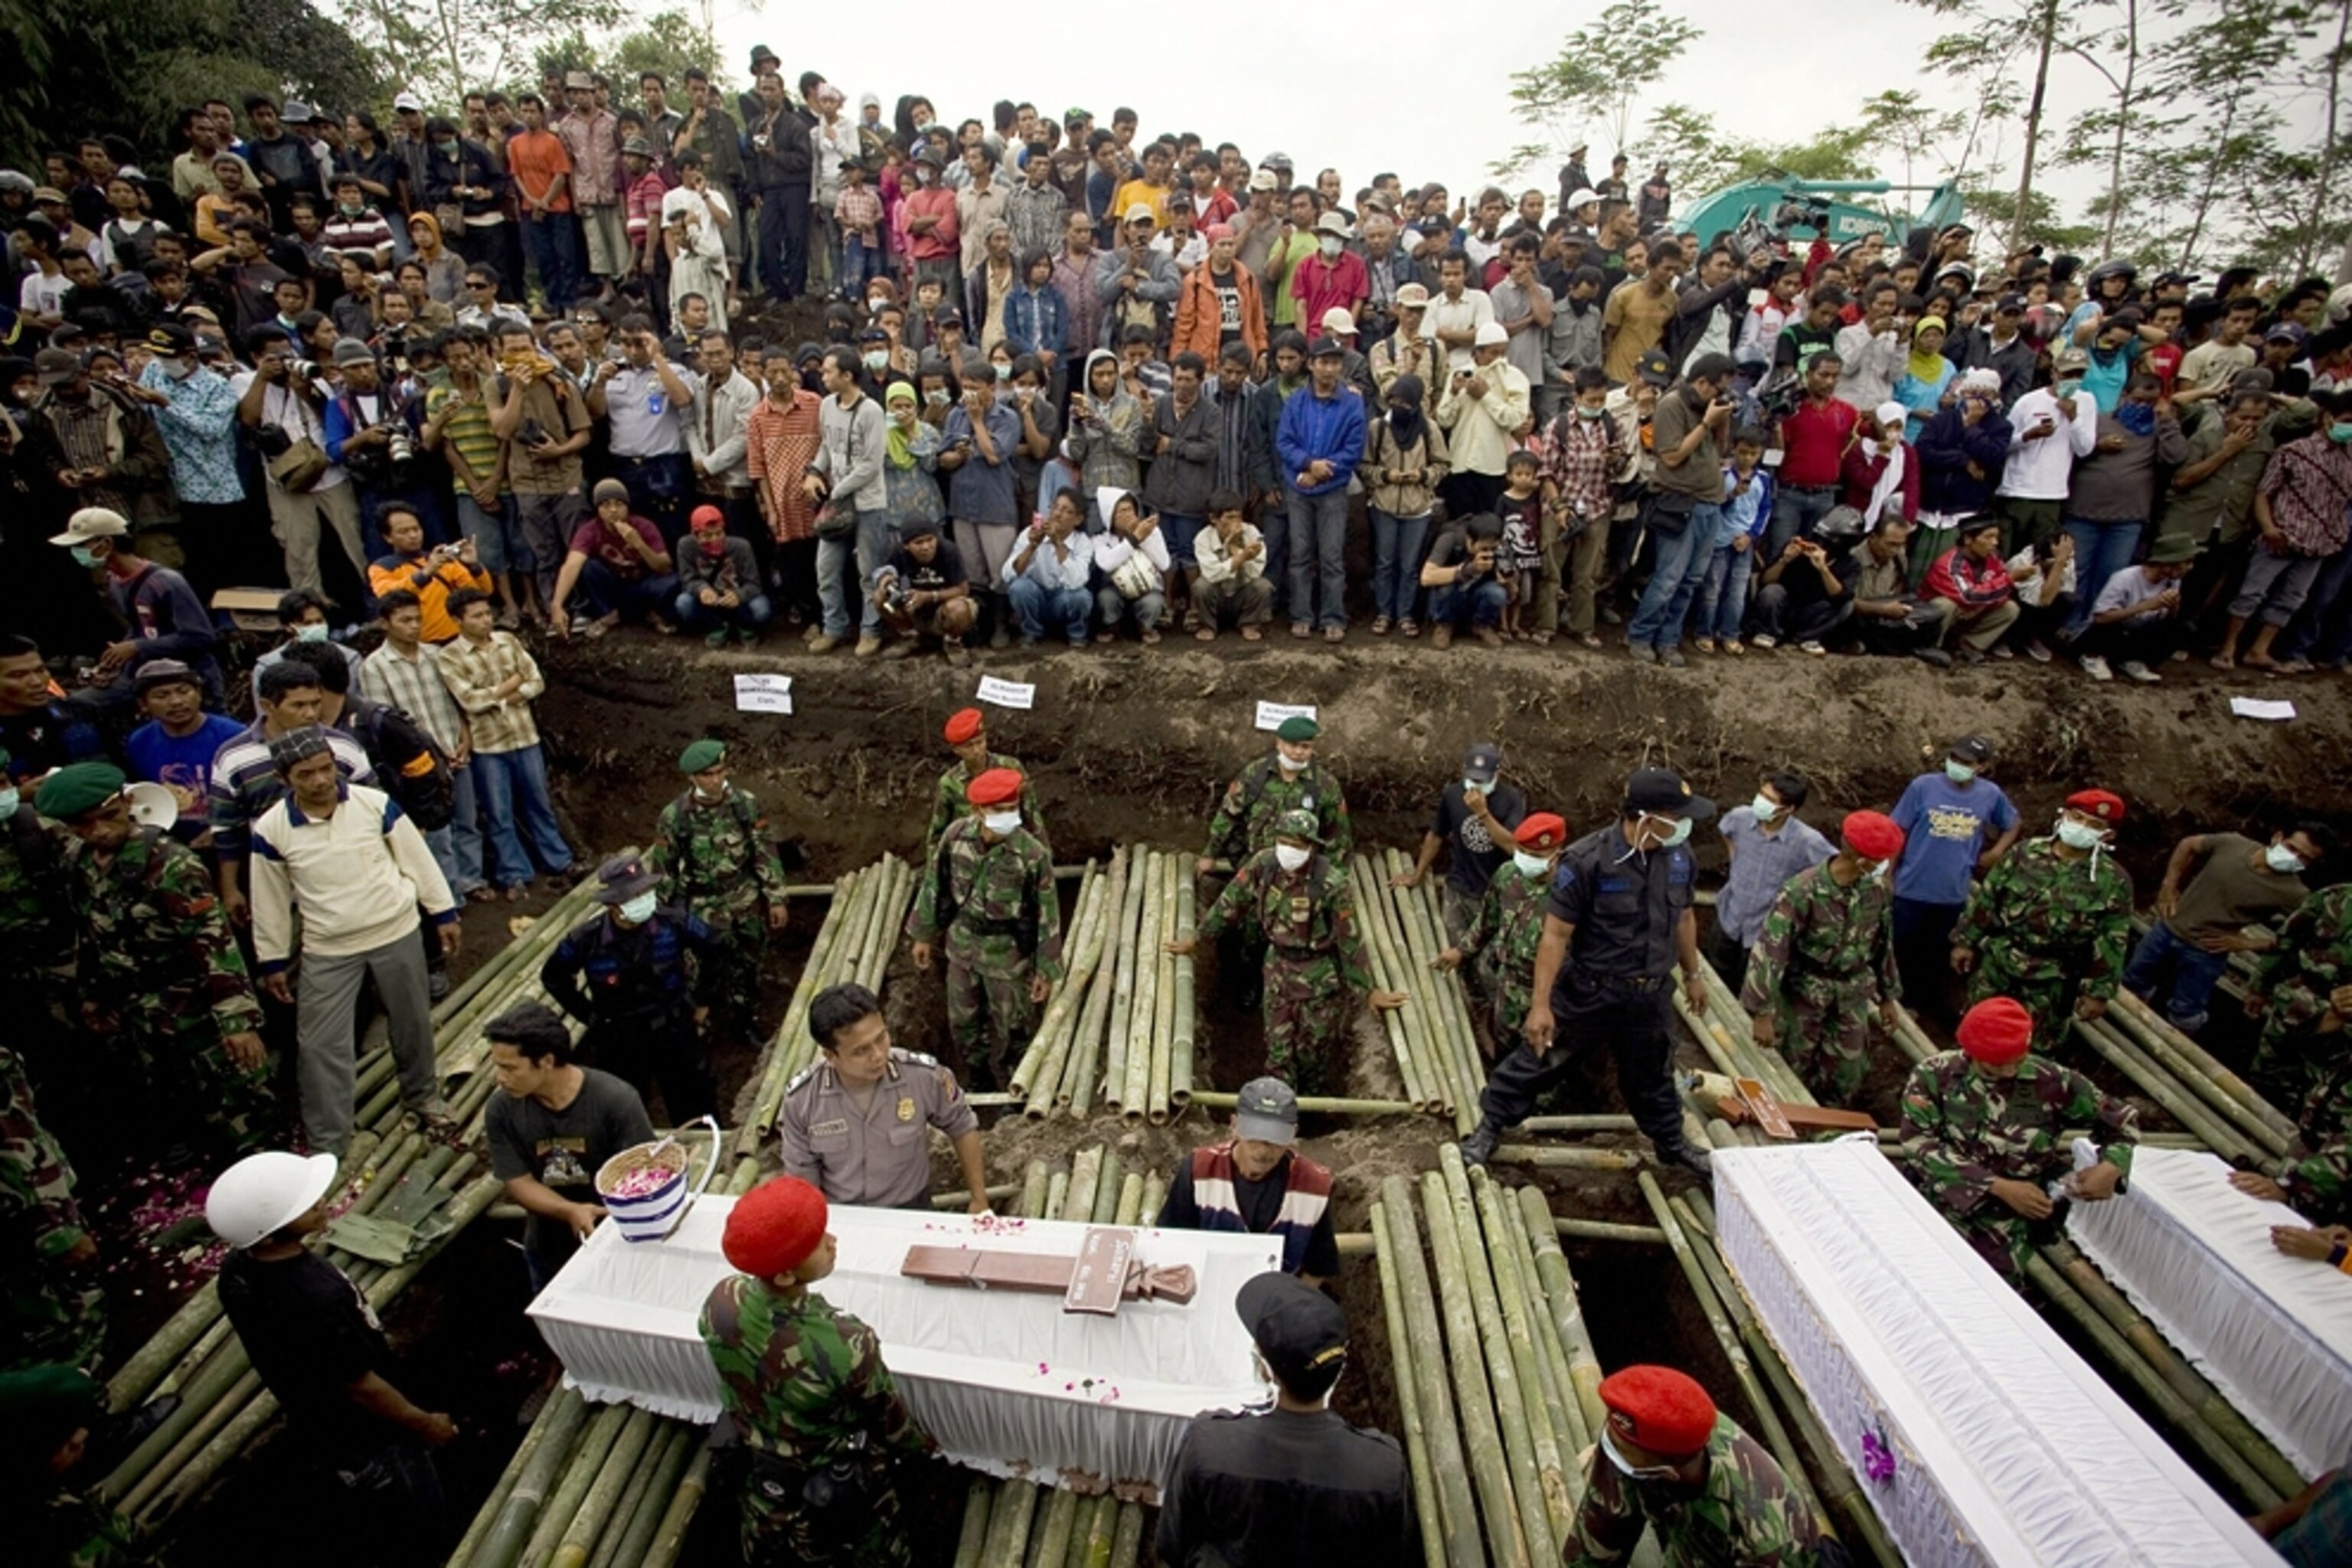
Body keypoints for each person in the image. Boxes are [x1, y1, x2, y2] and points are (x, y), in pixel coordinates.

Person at [1459, 769, 1719, 1175]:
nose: (1686, 825)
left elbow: (1684, 916)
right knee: (1540, 1059)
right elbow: (1555, 934)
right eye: (1677, 815)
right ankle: (1490, 1127)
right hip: (1590, 990)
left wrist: (1693, 975)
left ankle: (1671, 1143)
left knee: (1654, 1072)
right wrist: (1541, 1005)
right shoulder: (1587, 861)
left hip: (1649, 994)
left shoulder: (1680, 857)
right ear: (1647, 817)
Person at [208, 1150, 454, 1564]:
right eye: (303, 1206)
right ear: (268, 1236)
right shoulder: (313, 1300)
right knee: (418, 1515)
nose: (321, 1202)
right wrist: (425, 1424)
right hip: (371, 1435)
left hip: (319, 1426)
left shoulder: (237, 1271)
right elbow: (362, 1387)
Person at [44, 762, 275, 1160]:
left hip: (196, 1012)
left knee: (243, 1116)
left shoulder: (170, 864)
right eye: (83, 824)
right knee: (180, 1117)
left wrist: (237, 1021)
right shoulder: (79, 862)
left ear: (127, 803)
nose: (99, 830)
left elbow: (215, 944)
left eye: (108, 817)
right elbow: (90, 931)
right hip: (140, 1017)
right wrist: (92, 992)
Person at [699, 1177, 934, 1566]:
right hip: (836, 1499)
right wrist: (924, 1451)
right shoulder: (846, 1344)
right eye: (817, 1242)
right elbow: (892, 1426)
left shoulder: (723, 1301)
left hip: (762, 1492)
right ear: (787, 1276)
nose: (833, 1241)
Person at [249, 727, 458, 1157]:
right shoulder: (272, 830)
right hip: (328, 947)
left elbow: (416, 858)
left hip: (394, 929)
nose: (321, 781)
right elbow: (267, 900)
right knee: (321, 1044)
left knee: (412, 1020)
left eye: (326, 769)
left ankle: (422, 1095)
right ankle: (329, 1141)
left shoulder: (373, 804)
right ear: (286, 779)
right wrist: (271, 960)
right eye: (307, 774)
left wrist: (443, 912)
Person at [1155, 1272, 1414, 1567]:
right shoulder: (1382, 1468)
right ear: (1340, 1368)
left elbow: (1172, 1545)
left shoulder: (1209, 1445)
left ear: (1265, 1369)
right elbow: (1396, 1557)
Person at [1900, 995, 2138, 1276]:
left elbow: (2122, 1123)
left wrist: (2112, 1166)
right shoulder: (1935, 1076)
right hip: (1936, 1205)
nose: (2009, 1071)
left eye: (2017, 1061)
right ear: (1973, 1052)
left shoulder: (2051, 1081)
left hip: (2008, 1230)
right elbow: (1919, 1144)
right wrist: (1996, 1186)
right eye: (1997, 1064)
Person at [1174, 810, 1403, 1096]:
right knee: (1278, 1051)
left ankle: (1310, 1106)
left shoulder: (1332, 884)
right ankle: (1281, 1109)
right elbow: (1229, 903)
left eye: (1297, 845)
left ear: (1312, 846)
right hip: (1278, 972)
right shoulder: (1263, 866)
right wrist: (1198, 939)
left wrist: (1369, 991)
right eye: (1284, 841)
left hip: (1318, 981)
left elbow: (1349, 940)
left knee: (1313, 1054)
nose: (1289, 851)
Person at [1566, 1364, 1832, 1568]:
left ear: (1667, 1474)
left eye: (1622, 1459)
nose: (1611, 1454)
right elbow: (1597, 1536)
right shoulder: (1635, 1436)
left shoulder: (1766, 1539)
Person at [907, 768, 1063, 1093]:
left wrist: (1045, 969)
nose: (1008, 817)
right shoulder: (955, 837)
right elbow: (935, 885)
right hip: (962, 947)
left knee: (1013, 1026)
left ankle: (1013, 1085)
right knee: (962, 1023)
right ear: (978, 811)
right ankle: (977, 1077)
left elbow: (1047, 914)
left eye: (1012, 809)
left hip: (1007, 956)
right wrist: (923, 934)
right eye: (999, 811)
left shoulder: (1032, 855)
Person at [482, 1001, 655, 1286]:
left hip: (620, 1240)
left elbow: (643, 1175)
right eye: (498, 1067)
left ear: (546, 1061)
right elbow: (518, 1181)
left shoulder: (615, 1100)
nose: (501, 1078)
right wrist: (569, 1211)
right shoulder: (502, 1110)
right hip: (549, 1249)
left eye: (510, 1068)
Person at [1952, 789, 2135, 1053]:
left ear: (2107, 835)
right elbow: (1988, 899)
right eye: (2077, 818)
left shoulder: (2112, 881)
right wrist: (1965, 941)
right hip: (2000, 964)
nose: (2081, 827)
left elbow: (2112, 939)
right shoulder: (2023, 853)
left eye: (2093, 825)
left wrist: (2098, 992)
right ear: (2064, 816)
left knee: (2033, 1046)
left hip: (2052, 979)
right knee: (1976, 1027)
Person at [1741, 812, 1906, 1104]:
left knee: (1847, 1072)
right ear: (1862, 860)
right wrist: (1762, 1012)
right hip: (1804, 994)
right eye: (1881, 859)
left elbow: (1882, 943)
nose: (1885, 865)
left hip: (1852, 994)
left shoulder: (1878, 890)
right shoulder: (1802, 891)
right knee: (1793, 1067)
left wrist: (1889, 997)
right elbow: (1770, 952)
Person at [779, 982, 988, 1212]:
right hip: (842, 1215)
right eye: (861, 1051)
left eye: (881, 1038)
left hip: (911, 1209)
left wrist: (979, 1199)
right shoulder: (803, 1101)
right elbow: (802, 1178)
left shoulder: (922, 1077)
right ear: (830, 1055)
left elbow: (962, 1125)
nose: (878, 1055)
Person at [542, 853, 718, 1124]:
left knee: (694, 1102)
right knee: (623, 1111)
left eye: (646, 892)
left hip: (672, 1026)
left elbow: (714, 947)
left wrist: (703, 999)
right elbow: (554, 977)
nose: (643, 899)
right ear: (613, 904)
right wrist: (589, 1016)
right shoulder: (585, 940)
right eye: (633, 895)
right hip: (620, 1038)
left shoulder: (673, 923)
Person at [647, 740, 789, 1048]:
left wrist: (776, 897)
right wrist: (664, 915)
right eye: (707, 774)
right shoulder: (675, 816)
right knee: (700, 970)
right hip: (702, 905)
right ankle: (701, 1021)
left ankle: (744, 1020)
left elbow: (764, 851)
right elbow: (664, 869)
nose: (716, 780)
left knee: (749, 964)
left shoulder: (745, 804)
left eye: (720, 771)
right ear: (692, 778)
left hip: (745, 898)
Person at [2132, 822, 2329, 1036]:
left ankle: (2170, 1052)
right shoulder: (2233, 844)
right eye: (2292, 848)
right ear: (2278, 837)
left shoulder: (2294, 893)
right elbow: (2188, 844)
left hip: (2206, 951)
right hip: (2167, 929)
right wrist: (2169, 885)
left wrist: (2249, 943)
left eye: (2304, 858)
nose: (2294, 858)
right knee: (2133, 983)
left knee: (2185, 1013)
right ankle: (2127, 1028)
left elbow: (2306, 938)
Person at [437, 588, 574, 897]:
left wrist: (500, 697)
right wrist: (510, 688)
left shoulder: (508, 641)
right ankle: (513, 873)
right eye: (477, 616)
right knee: (499, 813)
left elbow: (535, 681)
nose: (486, 620)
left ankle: (558, 861)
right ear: (458, 620)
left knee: (539, 803)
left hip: (525, 737)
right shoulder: (449, 656)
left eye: (488, 613)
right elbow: (469, 700)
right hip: (489, 748)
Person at [1155, 1076, 1341, 1282]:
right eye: (1255, 1137)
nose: (1262, 1151)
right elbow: (1170, 1244)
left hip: (1276, 1301)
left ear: (1293, 1134)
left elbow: (1317, 1268)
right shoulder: (1199, 1170)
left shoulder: (1313, 1187)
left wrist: (1286, 1309)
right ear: (1234, 1126)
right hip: (1204, 1286)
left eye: (1274, 1140)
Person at [1887, 737, 2020, 1018]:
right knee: (1900, 947)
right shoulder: (1923, 787)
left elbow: (2012, 823)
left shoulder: (1990, 795)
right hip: (1911, 887)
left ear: (1982, 767)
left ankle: (1917, 1004)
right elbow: (1898, 831)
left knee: (1934, 954)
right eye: (1955, 759)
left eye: (1966, 763)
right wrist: (1888, 874)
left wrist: (1996, 851)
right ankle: (1889, 998)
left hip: (1952, 893)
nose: (1957, 766)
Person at [46, 507, 222, 707]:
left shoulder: (166, 582)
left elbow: (201, 637)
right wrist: (115, 663)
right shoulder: (114, 580)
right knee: (77, 703)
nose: (77, 552)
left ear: (106, 543)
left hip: (187, 677)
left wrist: (136, 647)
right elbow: (141, 628)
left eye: (81, 545)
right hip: (147, 671)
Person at [1628, 353, 1736, 667]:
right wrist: (1706, 424)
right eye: (1718, 389)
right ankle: (1640, 635)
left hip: (1710, 502)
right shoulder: (1672, 405)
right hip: (1681, 502)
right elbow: (1671, 457)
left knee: (1691, 580)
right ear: (1701, 382)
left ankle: (1669, 639)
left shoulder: (1710, 408)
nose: (1721, 395)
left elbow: (1720, 451)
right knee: (1669, 578)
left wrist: (1721, 422)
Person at [1438, 812, 1570, 1055]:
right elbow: (1488, 920)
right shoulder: (1509, 876)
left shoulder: (1572, 892)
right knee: (1504, 1050)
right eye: (1523, 852)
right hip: (1508, 985)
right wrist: (1461, 950)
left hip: (1552, 994)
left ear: (1556, 854)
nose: (1527, 860)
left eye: (1536, 856)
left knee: (1544, 1059)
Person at [1706, 771, 1834, 994]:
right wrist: (1735, 858)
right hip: (1729, 916)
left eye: (1770, 800)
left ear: (1789, 809)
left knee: (1750, 987)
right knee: (1717, 971)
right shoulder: (1740, 818)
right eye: (1761, 794)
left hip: (1764, 931)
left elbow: (1833, 869)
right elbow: (1725, 830)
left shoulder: (1807, 841)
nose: (1761, 802)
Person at [1277, 335, 1367, 642]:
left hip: (1332, 490)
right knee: (1300, 554)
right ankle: (1301, 615)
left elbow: (1353, 450)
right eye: (1324, 363)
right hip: (1298, 488)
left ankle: (1332, 617)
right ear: (1312, 365)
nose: (1330, 369)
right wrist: (1306, 465)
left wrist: (1319, 472)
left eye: (1335, 363)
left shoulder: (1353, 404)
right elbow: (1284, 442)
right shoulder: (1295, 402)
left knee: (1331, 557)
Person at [1393, 742, 1528, 942]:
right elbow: (1436, 835)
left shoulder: (1512, 800)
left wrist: (1482, 813)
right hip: (1458, 888)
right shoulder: (1453, 795)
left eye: (1482, 780)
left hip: (1494, 894)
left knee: (1488, 953)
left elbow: (1511, 846)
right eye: (1472, 778)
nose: (1476, 784)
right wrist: (1417, 874)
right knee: (1454, 945)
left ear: (1498, 774)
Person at [2246, 880, 2352, 1112]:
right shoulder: (2335, 896)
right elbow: (2286, 940)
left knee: (2324, 1096)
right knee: (2267, 1074)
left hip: (2343, 1033)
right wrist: (2260, 986)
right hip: (2296, 1007)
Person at [924, 708, 1050, 862]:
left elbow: (1032, 816)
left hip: (1012, 852)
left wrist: (1044, 858)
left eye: (980, 742)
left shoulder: (1011, 768)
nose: (977, 750)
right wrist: (935, 871)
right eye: (969, 746)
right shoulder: (950, 783)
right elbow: (937, 833)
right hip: (969, 859)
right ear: (956, 749)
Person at [2072, 532, 2197, 681]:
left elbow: (2167, 621)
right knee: (2113, 623)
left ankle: (2132, 660)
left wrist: (2173, 607)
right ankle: (2092, 656)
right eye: (2187, 562)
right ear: (2169, 562)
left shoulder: (2173, 581)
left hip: (2134, 634)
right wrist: (2145, 606)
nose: (2190, 567)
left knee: (2183, 628)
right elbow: (2100, 618)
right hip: (2102, 633)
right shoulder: (2125, 578)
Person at [674, 505, 771, 645]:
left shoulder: (742, 547)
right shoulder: (685, 545)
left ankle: (743, 626)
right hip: (709, 602)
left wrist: (739, 596)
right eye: (707, 535)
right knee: (684, 603)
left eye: (719, 534)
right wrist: (702, 590)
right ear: (695, 534)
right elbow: (687, 580)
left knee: (761, 609)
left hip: (737, 601)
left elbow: (754, 584)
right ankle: (716, 627)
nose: (714, 540)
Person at [1194, 489, 1275, 641]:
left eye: (1238, 517)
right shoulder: (1203, 538)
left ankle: (1249, 623)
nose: (1235, 523)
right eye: (1229, 517)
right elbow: (1212, 574)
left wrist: (1240, 552)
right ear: (1213, 518)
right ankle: (1208, 625)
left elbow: (1254, 575)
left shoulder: (1251, 533)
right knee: (1201, 586)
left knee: (1263, 586)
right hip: (1217, 598)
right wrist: (1239, 558)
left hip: (1241, 596)